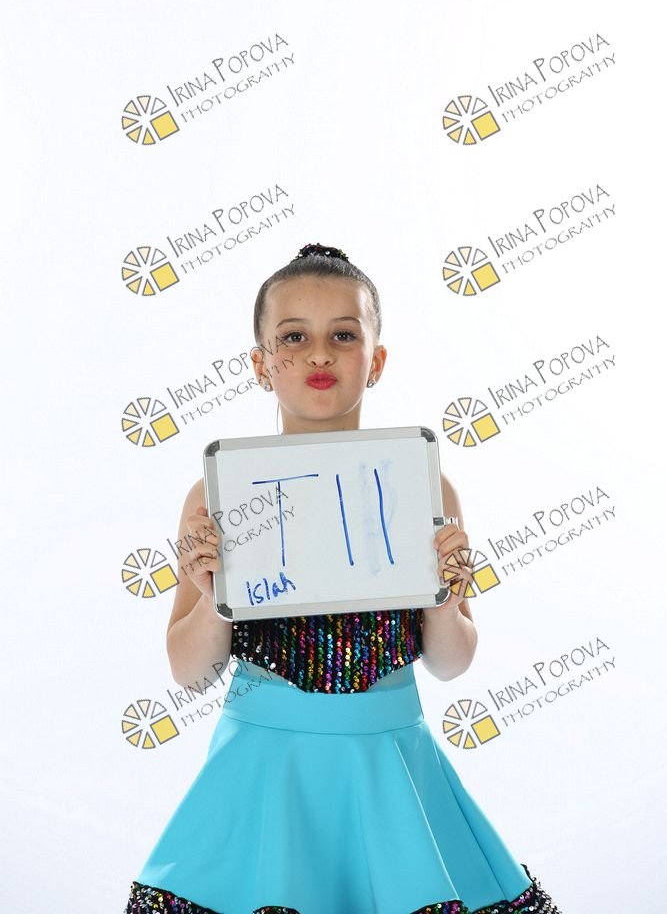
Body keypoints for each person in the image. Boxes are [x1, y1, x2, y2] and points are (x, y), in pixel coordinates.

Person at [124, 244, 561, 914]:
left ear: (376, 360)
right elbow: (188, 672)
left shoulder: (423, 483)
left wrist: (444, 598)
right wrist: (213, 596)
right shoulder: (218, 493)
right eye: (293, 338)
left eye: (344, 336)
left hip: (389, 763)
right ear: (261, 365)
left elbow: (450, 663)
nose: (319, 355)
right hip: (266, 769)